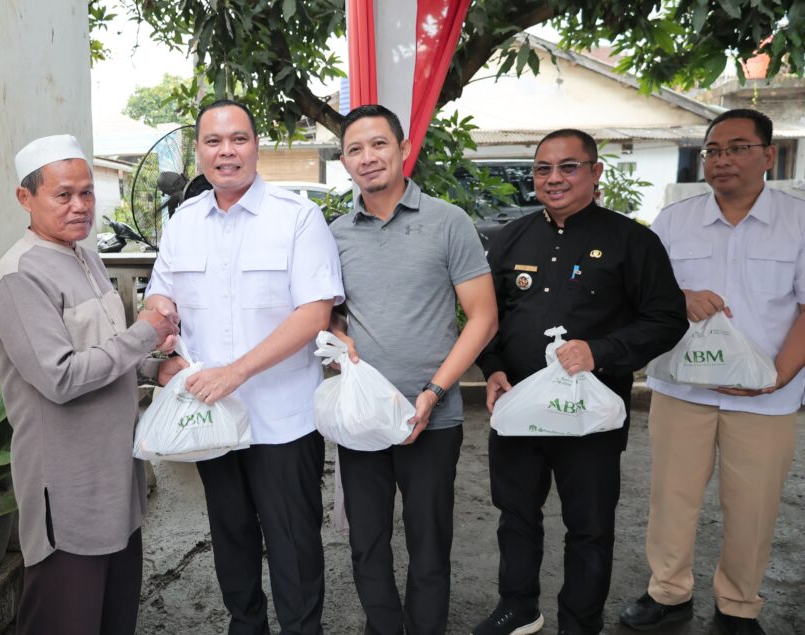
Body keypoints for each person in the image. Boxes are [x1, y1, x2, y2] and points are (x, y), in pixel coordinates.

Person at [474, 129, 688, 635]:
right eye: (543, 168)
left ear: (595, 172)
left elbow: (667, 319)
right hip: (520, 405)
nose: (554, 178)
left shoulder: (633, 241)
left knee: (589, 525)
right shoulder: (510, 239)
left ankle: (580, 621)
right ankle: (519, 607)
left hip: (591, 411)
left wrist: (601, 351)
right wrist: (493, 367)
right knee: (515, 514)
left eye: (568, 167)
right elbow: (486, 316)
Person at [144, 100, 344, 635]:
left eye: (238, 139)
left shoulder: (296, 217)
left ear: (256, 146)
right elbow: (160, 298)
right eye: (213, 141)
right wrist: (163, 338)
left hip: (283, 419)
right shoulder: (184, 222)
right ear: (198, 151)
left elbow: (314, 315)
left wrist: (235, 372)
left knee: (294, 544)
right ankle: (245, 625)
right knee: (230, 538)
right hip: (211, 418)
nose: (226, 151)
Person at [0, 134, 183, 635]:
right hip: (68, 489)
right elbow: (61, 376)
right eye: (63, 195)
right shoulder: (19, 277)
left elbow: (105, 349)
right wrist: (145, 334)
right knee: (67, 620)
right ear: (25, 198)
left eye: (87, 192)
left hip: (116, 479)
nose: (80, 206)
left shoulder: (85, 257)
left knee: (116, 618)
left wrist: (152, 369)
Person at [619, 109, 805, 635]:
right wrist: (679, 297)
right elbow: (638, 292)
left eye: (738, 148)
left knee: (754, 507)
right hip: (683, 389)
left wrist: (777, 378)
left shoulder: (798, 221)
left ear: (768, 155)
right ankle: (668, 593)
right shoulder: (674, 221)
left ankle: (739, 604)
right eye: (714, 151)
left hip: (767, 397)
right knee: (671, 498)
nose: (723, 160)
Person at [327, 104, 498, 634]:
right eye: (355, 149)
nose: (368, 157)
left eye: (379, 144)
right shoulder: (335, 233)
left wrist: (434, 392)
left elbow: (484, 317)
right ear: (344, 161)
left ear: (403, 149)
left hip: (433, 413)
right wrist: (336, 331)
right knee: (367, 541)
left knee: (429, 543)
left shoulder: (448, 221)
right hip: (363, 416)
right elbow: (328, 311)